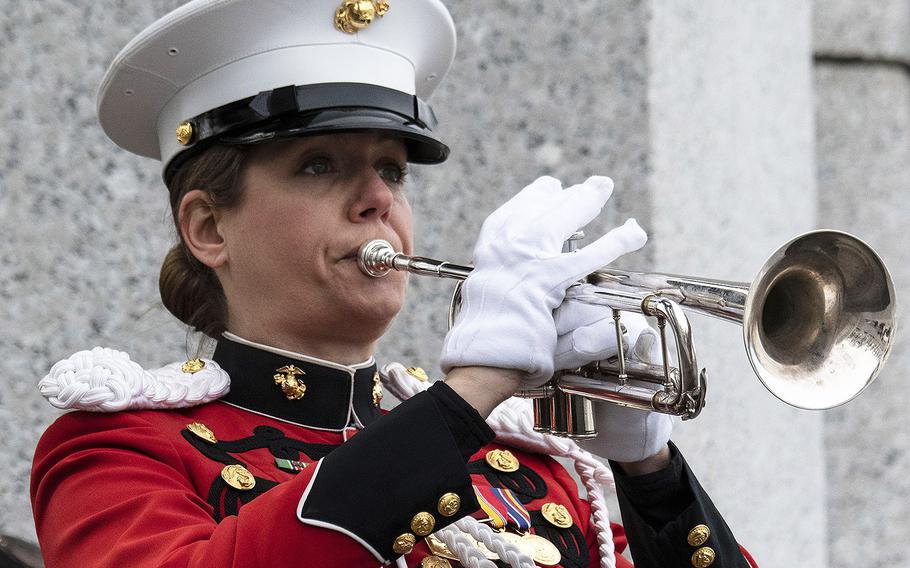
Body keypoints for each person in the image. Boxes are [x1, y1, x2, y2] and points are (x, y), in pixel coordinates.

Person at [30, 1, 758, 567]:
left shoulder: (532, 468)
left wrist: (648, 471)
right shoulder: (119, 448)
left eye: (393, 169)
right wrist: (472, 390)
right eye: (319, 165)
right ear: (209, 228)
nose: (378, 198)